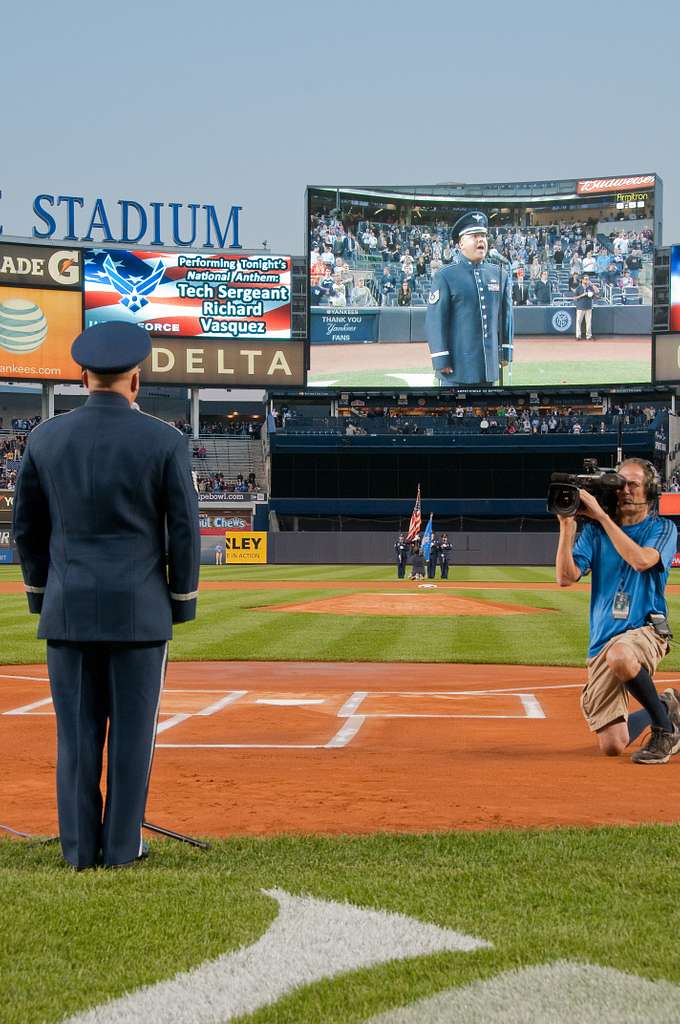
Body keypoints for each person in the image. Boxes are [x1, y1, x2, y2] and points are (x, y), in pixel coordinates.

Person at [12, 322, 200, 869]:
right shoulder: (164, 440)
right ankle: (122, 849)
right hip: (140, 614)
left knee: (75, 740)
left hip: (67, 610)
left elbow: (25, 528)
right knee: (132, 742)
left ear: (82, 376)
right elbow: (184, 528)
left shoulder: (45, 438)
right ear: (135, 379)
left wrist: (42, 594)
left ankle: (77, 851)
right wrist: (181, 600)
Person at [555, 458, 680, 764]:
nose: (624, 490)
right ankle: (665, 706)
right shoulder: (596, 533)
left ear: (650, 490)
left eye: (633, 484)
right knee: (612, 745)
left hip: (645, 630)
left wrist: (601, 516)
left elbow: (641, 560)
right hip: (602, 641)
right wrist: (567, 527)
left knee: (621, 655)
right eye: (619, 483)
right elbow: (565, 578)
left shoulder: (662, 528)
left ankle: (665, 731)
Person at [425, 211, 513, 385]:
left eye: (483, 236)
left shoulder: (499, 274)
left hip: (489, 368)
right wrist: (440, 359)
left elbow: (506, 317)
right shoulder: (445, 276)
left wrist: (506, 351)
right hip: (457, 369)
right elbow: (435, 321)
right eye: (474, 236)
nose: (481, 240)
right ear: (460, 244)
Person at [574, 274, 599, 340]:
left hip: (588, 306)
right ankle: (578, 336)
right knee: (579, 321)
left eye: (588, 279)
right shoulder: (579, 288)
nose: (587, 280)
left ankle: (588, 336)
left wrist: (592, 284)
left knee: (588, 322)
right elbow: (575, 298)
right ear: (582, 280)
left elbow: (597, 291)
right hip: (580, 307)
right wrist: (582, 295)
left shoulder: (590, 287)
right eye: (585, 279)